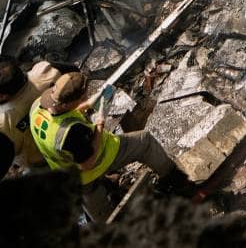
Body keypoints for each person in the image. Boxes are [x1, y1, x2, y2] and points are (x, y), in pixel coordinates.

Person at [28, 70, 177, 222]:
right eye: (82, 97)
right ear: (69, 102)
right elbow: (88, 163)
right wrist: (100, 121)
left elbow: (62, 113)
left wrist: (89, 103)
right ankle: (173, 179)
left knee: (101, 215)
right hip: (95, 162)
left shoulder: (37, 107)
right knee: (145, 142)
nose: (85, 97)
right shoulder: (70, 133)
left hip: (70, 175)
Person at [0, 58, 64, 180]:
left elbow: (0, 167)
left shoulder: (0, 124)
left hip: (43, 157)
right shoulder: (47, 70)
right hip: (67, 127)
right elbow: (75, 76)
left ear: (2, 96)